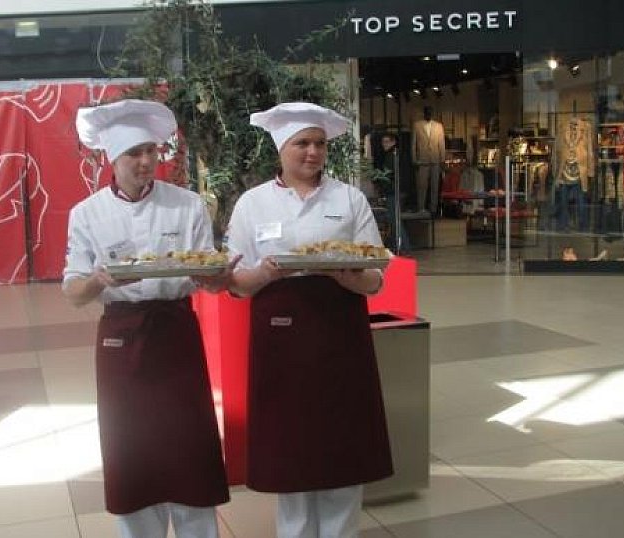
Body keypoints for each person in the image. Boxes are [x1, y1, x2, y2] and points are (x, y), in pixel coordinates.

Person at [63, 98, 231, 538]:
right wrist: (98, 280)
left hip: (176, 330)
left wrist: (216, 276)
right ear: (112, 159)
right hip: (121, 335)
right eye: (133, 154)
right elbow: (73, 292)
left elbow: (209, 277)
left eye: (150, 152)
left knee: (188, 444)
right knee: (130, 447)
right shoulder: (87, 214)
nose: (144, 162)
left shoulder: (187, 205)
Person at [225, 102, 394, 538]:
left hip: (341, 335)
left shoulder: (349, 198)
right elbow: (237, 284)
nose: (313, 152)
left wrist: (347, 275)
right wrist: (266, 272)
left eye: (319, 143)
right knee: (292, 454)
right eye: (302, 143)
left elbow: (375, 277)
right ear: (281, 148)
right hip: (280, 341)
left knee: (342, 451)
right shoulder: (253, 203)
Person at [411, 106, 446, 215]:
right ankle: (421, 207)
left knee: (435, 186)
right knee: (422, 186)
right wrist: (414, 159)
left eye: (430, 112)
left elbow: (442, 144)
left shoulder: (439, 126)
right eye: (427, 112)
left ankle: (433, 209)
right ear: (424, 113)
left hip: (435, 160)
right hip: (422, 160)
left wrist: (442, 159)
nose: (429, 114)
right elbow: (413, 144)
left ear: (432, 113)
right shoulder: (417, 125)